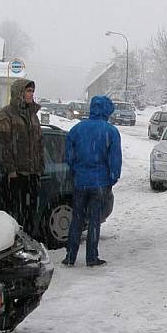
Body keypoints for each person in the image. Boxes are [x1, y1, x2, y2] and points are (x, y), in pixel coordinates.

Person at [62, 95, 122, 267]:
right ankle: (91, 257)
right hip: (100, 182)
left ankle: (70, 256)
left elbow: (69, 156)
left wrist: (76, 172)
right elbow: (114, 159)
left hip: (80, 181)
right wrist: (112, 178)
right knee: (94, 221)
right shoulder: (110, 131)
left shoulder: (77, 129)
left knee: (77, 219)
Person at [0, 79, 44, 237]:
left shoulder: (33, 116)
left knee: (30, 214)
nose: (31, 94)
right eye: (28, 91)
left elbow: (39, 143)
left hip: (32, 173)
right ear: (19, 93)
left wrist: (40, 166)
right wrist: (11, 171)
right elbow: (2, 144)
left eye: (32, 91)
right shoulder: (5, 114)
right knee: (14, 215)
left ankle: (29, 243)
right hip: (15, 175)